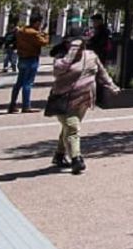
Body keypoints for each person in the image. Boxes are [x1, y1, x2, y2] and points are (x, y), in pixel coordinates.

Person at [48, 38, 119, 174]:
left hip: (84, 99)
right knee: (72, 127)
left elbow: (101, 72)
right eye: (74, 46)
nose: (79, 49)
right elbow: (57, 71)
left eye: (81, 45)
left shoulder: (91, 56)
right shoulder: (61, 58)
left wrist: (111, 85)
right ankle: (76, 159)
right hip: (64, 99)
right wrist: (70, 56)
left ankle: (59, 155)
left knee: (69, 127)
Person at [8, 15, 48, 113]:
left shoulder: (20, 31)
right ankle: (26, 106)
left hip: (22, 57)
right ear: (37, 23)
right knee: (28, 83)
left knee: (18, 83)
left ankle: (12, 105)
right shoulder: (34, 33)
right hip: (32, 58)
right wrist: (45, 34)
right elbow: (44, 42)